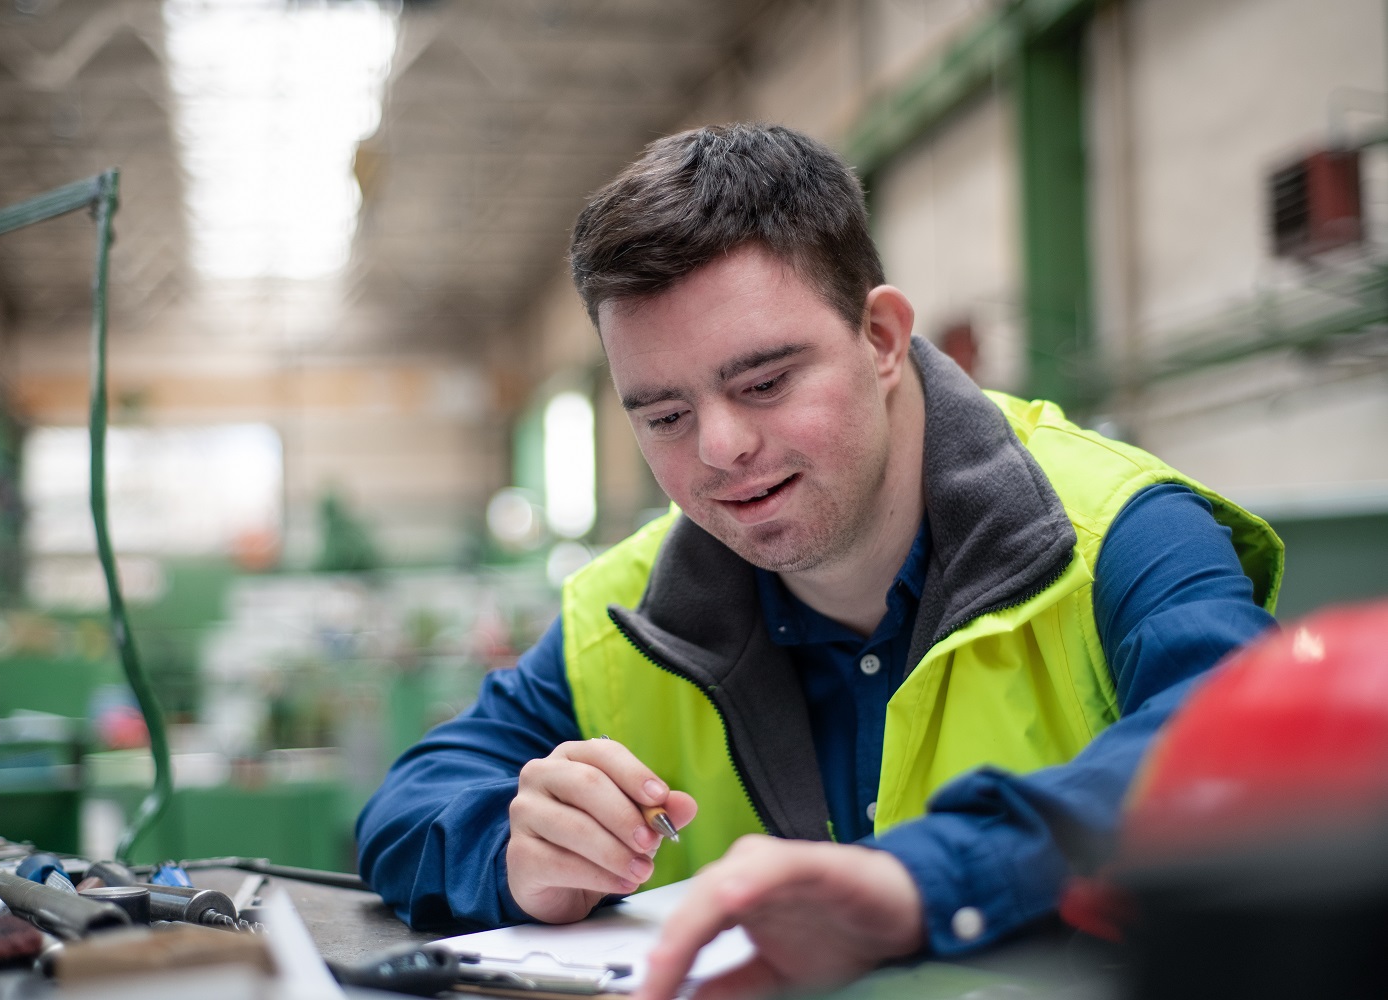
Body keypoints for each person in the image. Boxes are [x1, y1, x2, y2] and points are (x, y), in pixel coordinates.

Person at [356, 123, 1282, 998]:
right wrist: (511, 852)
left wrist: (923, 879)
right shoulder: (629, 614)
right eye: (664, 416)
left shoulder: (1117, 534)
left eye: (764, 383)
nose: (720, 448)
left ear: (881, 337)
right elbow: (406, 805)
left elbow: (1252, 757)